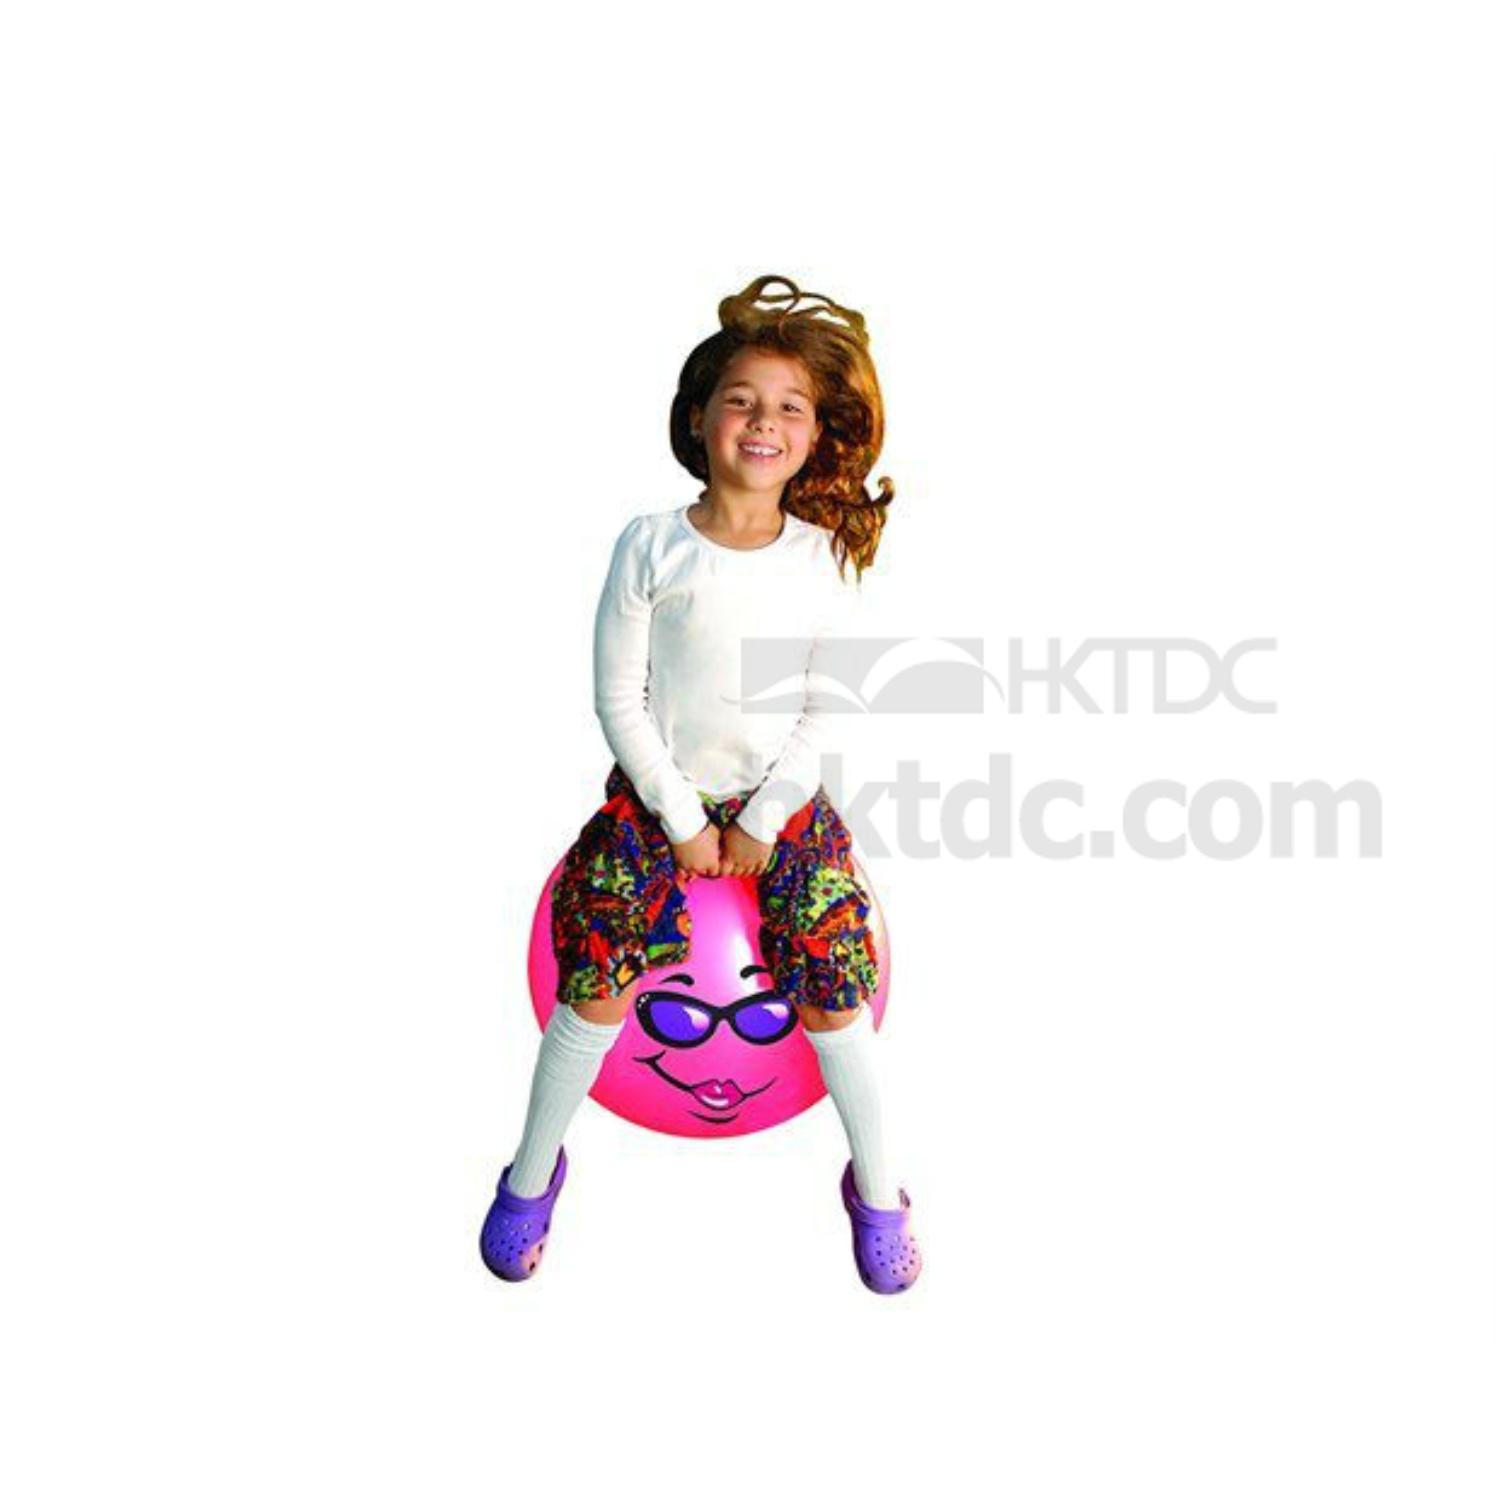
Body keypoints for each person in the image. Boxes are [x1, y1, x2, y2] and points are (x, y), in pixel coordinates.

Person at [479, 274, 922, 1294]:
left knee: (836, 994)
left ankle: (880, 1190)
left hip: (784, 809)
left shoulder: (822, 559)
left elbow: (827, 707)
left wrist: (764, 818)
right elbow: (618, 696)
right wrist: (679, 816)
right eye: (742, 401)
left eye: (790, 408)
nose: (764, 422)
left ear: (815, 437)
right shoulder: (651, 545)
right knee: (594, 985)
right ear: (698, 419)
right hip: (653, 803)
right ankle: (530, 1176)